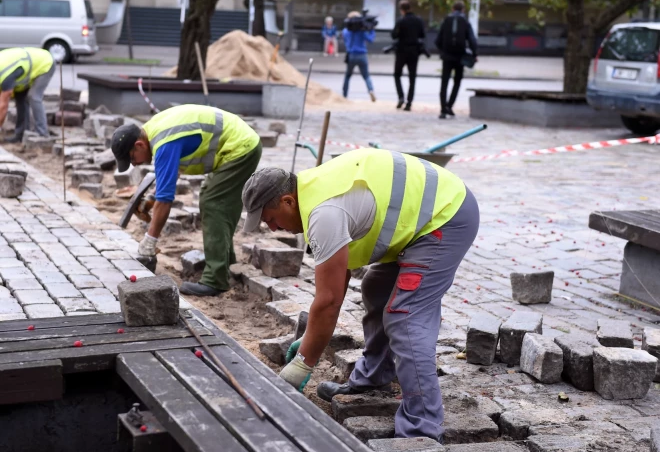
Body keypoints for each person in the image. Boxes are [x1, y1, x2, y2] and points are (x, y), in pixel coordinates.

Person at [241, 148, 479, 442]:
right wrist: (311, 339)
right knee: (375, 287)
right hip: (424, 216)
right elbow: (336, 284)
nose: (274, 228)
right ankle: (374, 379)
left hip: (446, 215)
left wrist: (303, 364)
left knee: (405, 316)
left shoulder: (324, 214)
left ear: (288, 201)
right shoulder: (312, 194)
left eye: (271, 219)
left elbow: (328, 301)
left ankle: (421, 430)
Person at [111, 104, 262, 296]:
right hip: (241, 142)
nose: (134, 164)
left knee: (213, 202)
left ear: (139, 145)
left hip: (241, 148)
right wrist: (151, 199)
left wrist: (149, 242)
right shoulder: (151, 131)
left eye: (132, 158)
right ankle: (225, 262)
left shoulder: (163, 143)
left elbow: (165, 200)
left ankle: (215, 280)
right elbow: (170, 172)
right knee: (213, 197)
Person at [0, 47, 55, 143]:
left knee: (34, 96)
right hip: (23, 70)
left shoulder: (5, 75)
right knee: (20, 99)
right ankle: (21, 134)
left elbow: (3, 106)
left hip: (44, 63)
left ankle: (42, 134)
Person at [434, 1, 478, 119]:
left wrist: (443, 51)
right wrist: (474, 54)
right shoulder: (465, 22)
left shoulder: (446, 21)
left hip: (447, 56)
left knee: (444, 82)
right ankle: (449, 105)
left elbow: (437, 40)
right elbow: (472, 40)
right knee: (457, 82)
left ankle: (443, 109)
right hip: (460, 57)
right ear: (463, 9)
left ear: (453, 9)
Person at [392, 0, 425, 111]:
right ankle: (409, 103)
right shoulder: (418, 20)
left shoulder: (401, 21)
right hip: (414, 52)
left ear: (401, 10)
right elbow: (422, 34)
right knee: (412, 78)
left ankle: (401, 96)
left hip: (401, 51)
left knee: (397, 75)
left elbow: (394, 35)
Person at [342, 11, 377, 102]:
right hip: (362, 55)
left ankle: (344, 95)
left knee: (348, 76)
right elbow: (370, 40)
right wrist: (372, 29)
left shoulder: (346, 31)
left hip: (351, 55)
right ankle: (371, 90)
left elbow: (345, 41)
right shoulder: (362, 31)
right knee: (366, 76)